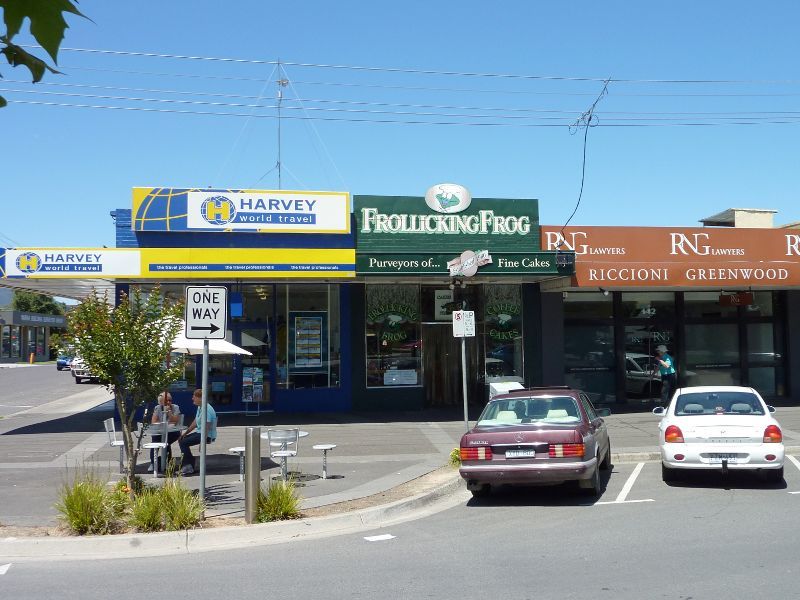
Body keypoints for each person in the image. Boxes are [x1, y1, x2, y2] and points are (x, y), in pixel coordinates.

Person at [178, 388, 217, 475]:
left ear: (200, 398)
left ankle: (188, 465)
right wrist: (185, 433)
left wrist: (202, 442)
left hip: (206, 434)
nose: (192, 398)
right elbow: (195, 422)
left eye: (194, 397)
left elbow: (207, 426)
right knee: (181, 439)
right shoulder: (200, 407)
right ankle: (189, 463)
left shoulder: (207, 409)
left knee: (184, 443)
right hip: (200, 432)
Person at [149, 391, 181, 473]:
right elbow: (153, 422)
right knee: (155, 441)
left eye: (170, 400)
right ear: (161, 402)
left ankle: (167, 462)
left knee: (166, 442)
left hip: (173, 432)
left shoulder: (175, 407)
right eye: (167, 401)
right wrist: (162, 424)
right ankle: (153, 463)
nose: (169, 402)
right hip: (159, 432)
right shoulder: (157, 408)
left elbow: (175, 421)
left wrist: (169, 412)